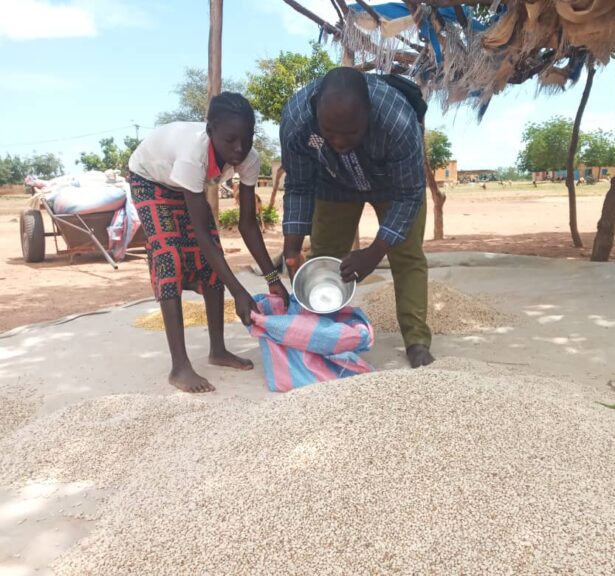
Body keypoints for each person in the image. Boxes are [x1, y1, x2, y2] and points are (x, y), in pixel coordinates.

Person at [128, 92, 288, 392]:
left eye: (247, 138)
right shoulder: (193, 154)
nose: (240, 148)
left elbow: (248, 224)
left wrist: (272, 278)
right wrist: (239, 292)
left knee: (209, 265)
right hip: (150, 181)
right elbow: (202, 235)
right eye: (230, 140)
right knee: (169, 257)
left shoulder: (248, 159)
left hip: (184, 185)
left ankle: (218, 350)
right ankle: (179, 367)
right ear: (211, 131)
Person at [279, 67, 434, 368]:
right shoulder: (296, 122)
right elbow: (298, 186)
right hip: (333, 183)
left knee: (408, 257)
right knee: (322, 258)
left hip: (392, 185)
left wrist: (374, 253)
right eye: (329, 132)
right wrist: (291, 247)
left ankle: (416, 342)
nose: (338, 141)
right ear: (315, 113)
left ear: (369, 114)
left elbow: (409, 196)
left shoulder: (397, 121)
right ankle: (322, 336)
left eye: (351, 132)